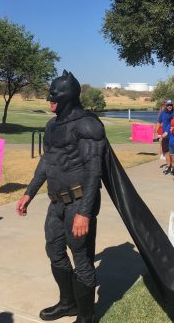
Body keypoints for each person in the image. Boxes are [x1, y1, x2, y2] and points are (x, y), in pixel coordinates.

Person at [16, 71, 105, 322]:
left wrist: (84, 212)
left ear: (69, 96)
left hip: (78, 203)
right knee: (54, 250)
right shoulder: (52, 125)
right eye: (49, 94)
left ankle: (87, 317)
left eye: (54, 95)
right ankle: (68, 303)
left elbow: (93, 171)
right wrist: (29, 192)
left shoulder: (87, 125)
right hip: (55, 202)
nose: (49, 99)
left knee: (82, 258)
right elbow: (47, 160)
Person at [154, 99, 174, 174]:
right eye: (168, 105)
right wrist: (155, 132)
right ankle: (168, 166)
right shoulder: (163, 113)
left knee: (172, 153)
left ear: (172, 105)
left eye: (171, 105)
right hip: (165, 136)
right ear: (166, 106)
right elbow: (158, 122)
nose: (169, 106)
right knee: (166, 152)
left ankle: (173, 167)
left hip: (173, 136)